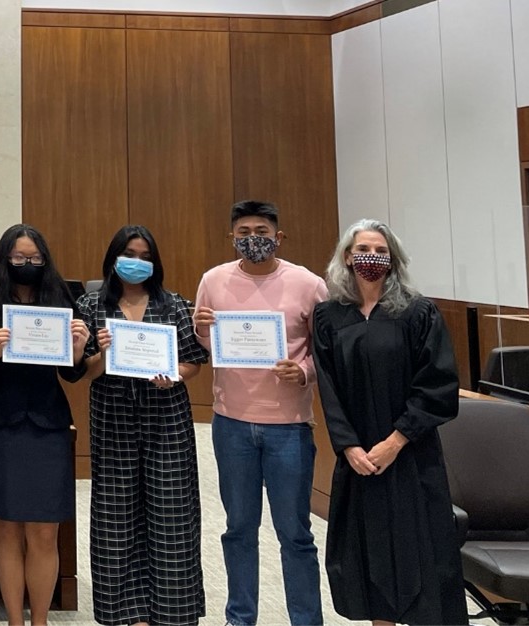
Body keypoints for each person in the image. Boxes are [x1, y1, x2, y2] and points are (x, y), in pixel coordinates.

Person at [312, 219, 463, 626]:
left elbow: (438, 384)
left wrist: (395, 441)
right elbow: (327, 388)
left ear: (393, 259)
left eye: (381, 251)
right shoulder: (328, 316)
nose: (372, 257)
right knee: (369, 557)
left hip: (411, 455)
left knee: (420, 555)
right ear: (347, 256)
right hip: (358, 457)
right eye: (364, 249)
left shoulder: (417, 311)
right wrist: (349, 446)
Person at [192, 201, 327, 626]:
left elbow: (328, 352)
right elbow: (207, 343)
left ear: (279, 236)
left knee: (295, 534)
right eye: (244, 231)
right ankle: (240, 618)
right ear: (231, 237)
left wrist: (303, 371)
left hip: (289, 428)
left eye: (263, 230)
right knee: (238, 530)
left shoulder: (308, 284)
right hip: (231, 424)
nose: (254, 238)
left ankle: (306, 620)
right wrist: (202, 329)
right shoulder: (213, 280)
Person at [77, 225, 208, 626]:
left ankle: (173, 610)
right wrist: (103, 354)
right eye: (128, 253)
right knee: (116, 517)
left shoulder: (175, 305)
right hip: (113, 419)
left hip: (166, 418)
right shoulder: (90, 305)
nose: (136, 262)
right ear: (114, 258)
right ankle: (127, 614)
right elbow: (85, 372)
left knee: (172, 514)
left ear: (155, 262)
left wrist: (176, 375)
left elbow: (192, 362)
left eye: (145, 255)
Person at [0, 224, 89, 626]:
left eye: (35, 258)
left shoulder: (60, 299)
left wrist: (75, 351)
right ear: (5, 260)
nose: (27, 264)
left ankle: (40, 621)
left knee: (44, 532)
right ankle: (14, 622)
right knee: (7, 529)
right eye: (19, 258)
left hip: (46, 425)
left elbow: (71, 375)